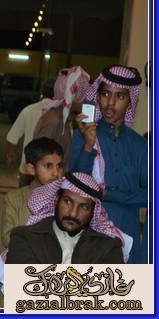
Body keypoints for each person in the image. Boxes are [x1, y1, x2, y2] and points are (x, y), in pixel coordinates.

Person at [70, 65, 147, 263]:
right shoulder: (82, 136)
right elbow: (73, 187)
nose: (110, 103)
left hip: (126, 237)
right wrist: (88, 146)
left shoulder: (140, 145)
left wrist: (110, 194)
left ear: (130, 101)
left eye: (120, 96)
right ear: (97, 96)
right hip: (87, 237)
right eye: (105, 94)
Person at [6, 172, 128, 264]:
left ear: (93, 212)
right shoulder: (24, 237)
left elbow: (113, 289)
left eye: (84, 207)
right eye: (68, 202)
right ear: (56, 200)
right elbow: (23, 286)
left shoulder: (109, 246)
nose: (73, 214)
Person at [1, 137, 64, 248]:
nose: (55, 173)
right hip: (23, 256)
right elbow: (8, 238)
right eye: (48, 166)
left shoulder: (64, 199)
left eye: (58, 166)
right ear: (31, 169)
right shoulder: (15, 198)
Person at [34, 66, 90, 170]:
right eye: (83, 97)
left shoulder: (65, 120)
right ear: (73, 97)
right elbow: (41, 164)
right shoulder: (54, 121)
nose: (85, 101)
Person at [5, 78, 55, 186]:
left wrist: (10, 156)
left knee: (24, 196)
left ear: (41, 91)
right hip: (51, 174)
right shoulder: (61, 114)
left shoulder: (28, 110)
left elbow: (12, 137)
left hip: (27, 170)